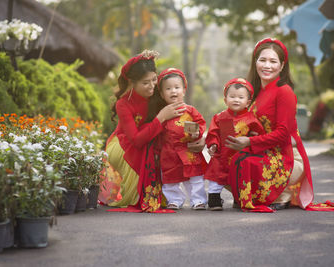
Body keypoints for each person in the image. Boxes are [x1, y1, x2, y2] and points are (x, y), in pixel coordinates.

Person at [226, 38, 314, 212]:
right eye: (262, 60)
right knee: (221, 159)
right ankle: (254, 195)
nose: (267, 66)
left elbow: (283, 134)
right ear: (255, 62)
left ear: (282, 66)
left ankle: (282, 194)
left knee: (242, 161)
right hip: (264, 150)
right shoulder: (255, 92)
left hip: (287, 156)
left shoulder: (284, 91)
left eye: (273, 61)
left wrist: (249, 142)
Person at [98, 50, 185, 212]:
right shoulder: (123, 104)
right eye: (146, 83)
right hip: (123, 144)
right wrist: (160, 118)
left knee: (162, 147)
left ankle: (167, 191)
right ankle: (140, 194)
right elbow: (136, 140)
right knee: (146, 148)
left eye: (154, 79)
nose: (152, 86)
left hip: (147, 140)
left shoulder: (156, 93)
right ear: (132, 83)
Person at [205, 78, 264, 211]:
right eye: (232, 96)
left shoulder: (251, 119)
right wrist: (213, 145)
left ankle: (239, 198)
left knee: (240, 176)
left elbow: (259, 135)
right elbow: (213, 133)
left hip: (240, 156)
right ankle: (214, 198)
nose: (236, 100)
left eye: (240, 97)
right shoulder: (219, 117)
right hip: (222, 154)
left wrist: (253, 139)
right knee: (216, 174)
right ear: (225, 100)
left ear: (248, 102)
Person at [155, 68, 207, 210]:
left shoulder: (190, 111)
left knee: (195, 178)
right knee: (170, 178)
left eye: (177, 87)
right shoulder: (163, 114)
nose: (173, 91)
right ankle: (174, 199)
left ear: (184, 90)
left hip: (188, 150)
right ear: (161, 93)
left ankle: (198, 200)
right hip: (169, 152)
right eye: (168, 88)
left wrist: (197, 133)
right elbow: (156, 131)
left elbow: (201, 123)